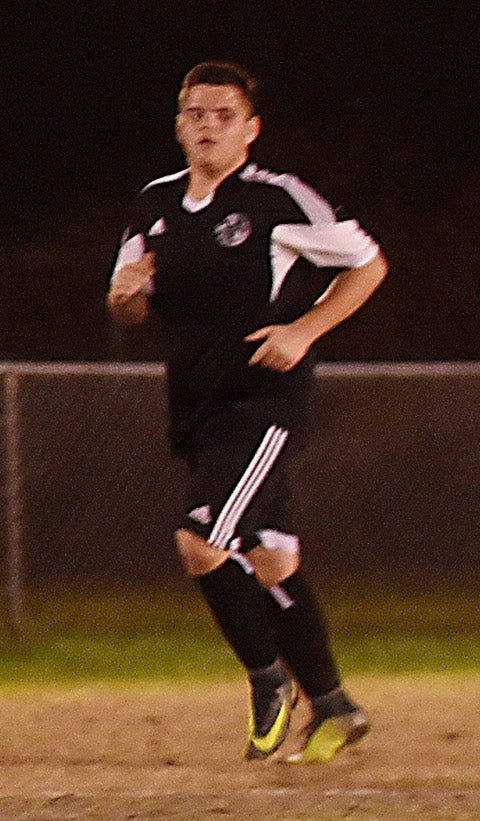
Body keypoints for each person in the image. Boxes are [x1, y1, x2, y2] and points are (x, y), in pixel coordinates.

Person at [108, 62, 385, 764]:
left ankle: (269, 680)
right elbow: (129, 302)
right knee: (271, 559)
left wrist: (304, 331)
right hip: (197, 407)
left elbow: (369, 265)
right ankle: (333, 705)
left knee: (201, 539)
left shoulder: (277, 201)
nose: (207, 125)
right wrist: (126, 295)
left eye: (223, 114)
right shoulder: (155, 204)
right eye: (195, 113)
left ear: (250, 129)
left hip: (262, 404)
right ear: (178, 124)